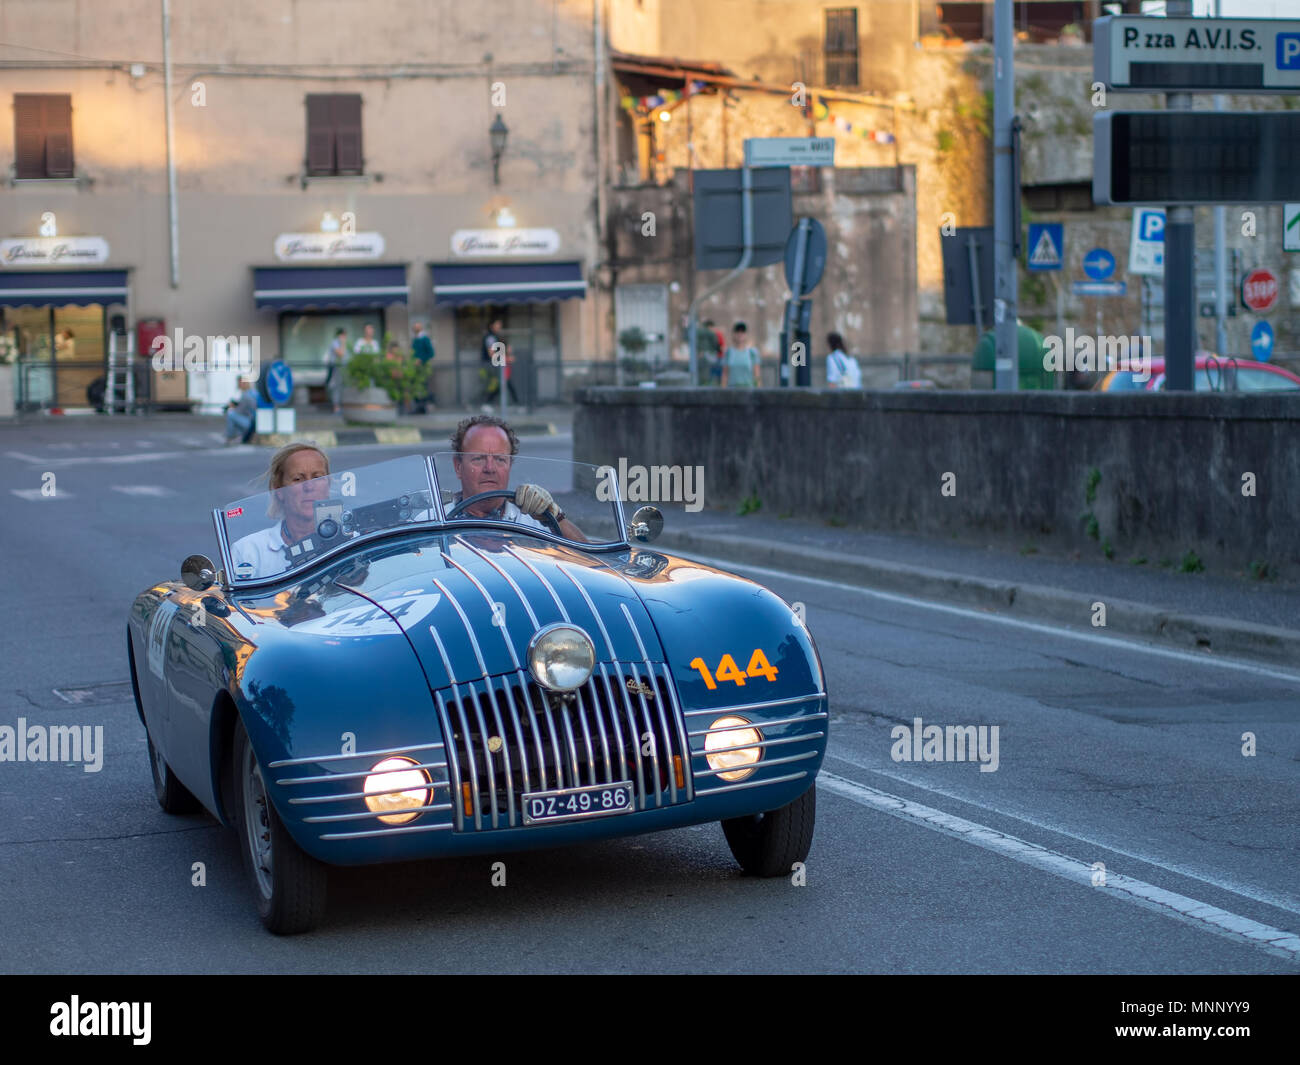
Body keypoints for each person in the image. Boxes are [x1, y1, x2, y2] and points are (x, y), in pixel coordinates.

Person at [447, 414, 585, 541]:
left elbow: (587, 558)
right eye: (478, 459)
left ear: (510, 466)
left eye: (500, 460)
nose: (490, 468)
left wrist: (554, 516)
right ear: (458, 466)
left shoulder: (532, 520)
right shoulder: (433, 519)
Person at [230, 443, 332, 578]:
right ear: (279, 490)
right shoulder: (248, 551)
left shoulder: (354, 543)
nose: (309, 487)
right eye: (298, 479)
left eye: (317, 477)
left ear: (328, 485)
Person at [479, 318, 519, 408]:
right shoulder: (490, 337)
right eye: (497, 324)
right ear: (491, 326)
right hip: (490, 365)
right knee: (498, 384)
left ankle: (487, 403)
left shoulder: (496, 336)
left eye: (500, 324)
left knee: (502, 383)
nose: (499, 326)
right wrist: (507, 358)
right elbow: (491, 354)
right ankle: (486, 403)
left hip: (497, 364)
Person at [721, 321, 761, 388]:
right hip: (732, 391)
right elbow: (725, 375)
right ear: (733, 334)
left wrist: (759, 393)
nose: (740, 334)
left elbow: (757, 375)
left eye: (742, 331)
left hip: (749, 392)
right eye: (737, 331)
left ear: (746, 334)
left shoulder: (752, 352)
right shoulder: (729, 352)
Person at [223, 377, 258, 445]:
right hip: (254, 421)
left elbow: (240, 411)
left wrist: (232, 407)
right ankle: (237, 436)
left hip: (250, 423)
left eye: (239, 383)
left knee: (231, 414)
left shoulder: (246, 395)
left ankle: (230, 437)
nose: (238, 384)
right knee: (234, 416)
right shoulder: (252, 392)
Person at [410, 321, 435, 413]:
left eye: (418, 327)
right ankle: (417, 407)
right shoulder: (415, 339)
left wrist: (421, 359)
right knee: (415, 388)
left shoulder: (425, 339)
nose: (416, 328)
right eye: (415, 327)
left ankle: (423, 408)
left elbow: (431, 353)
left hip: (423, 367)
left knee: (423, 387)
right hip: (415, 368)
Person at [325, 328, 347, 413]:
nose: (345, 337)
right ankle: (336, 406)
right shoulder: (335, 343)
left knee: (342, 386)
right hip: (336, 367)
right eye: (343, 335)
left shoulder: (344, 344)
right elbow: (341, 354)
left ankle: (341, 405)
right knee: (336, 386)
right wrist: (342, 343)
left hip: (343, 368)